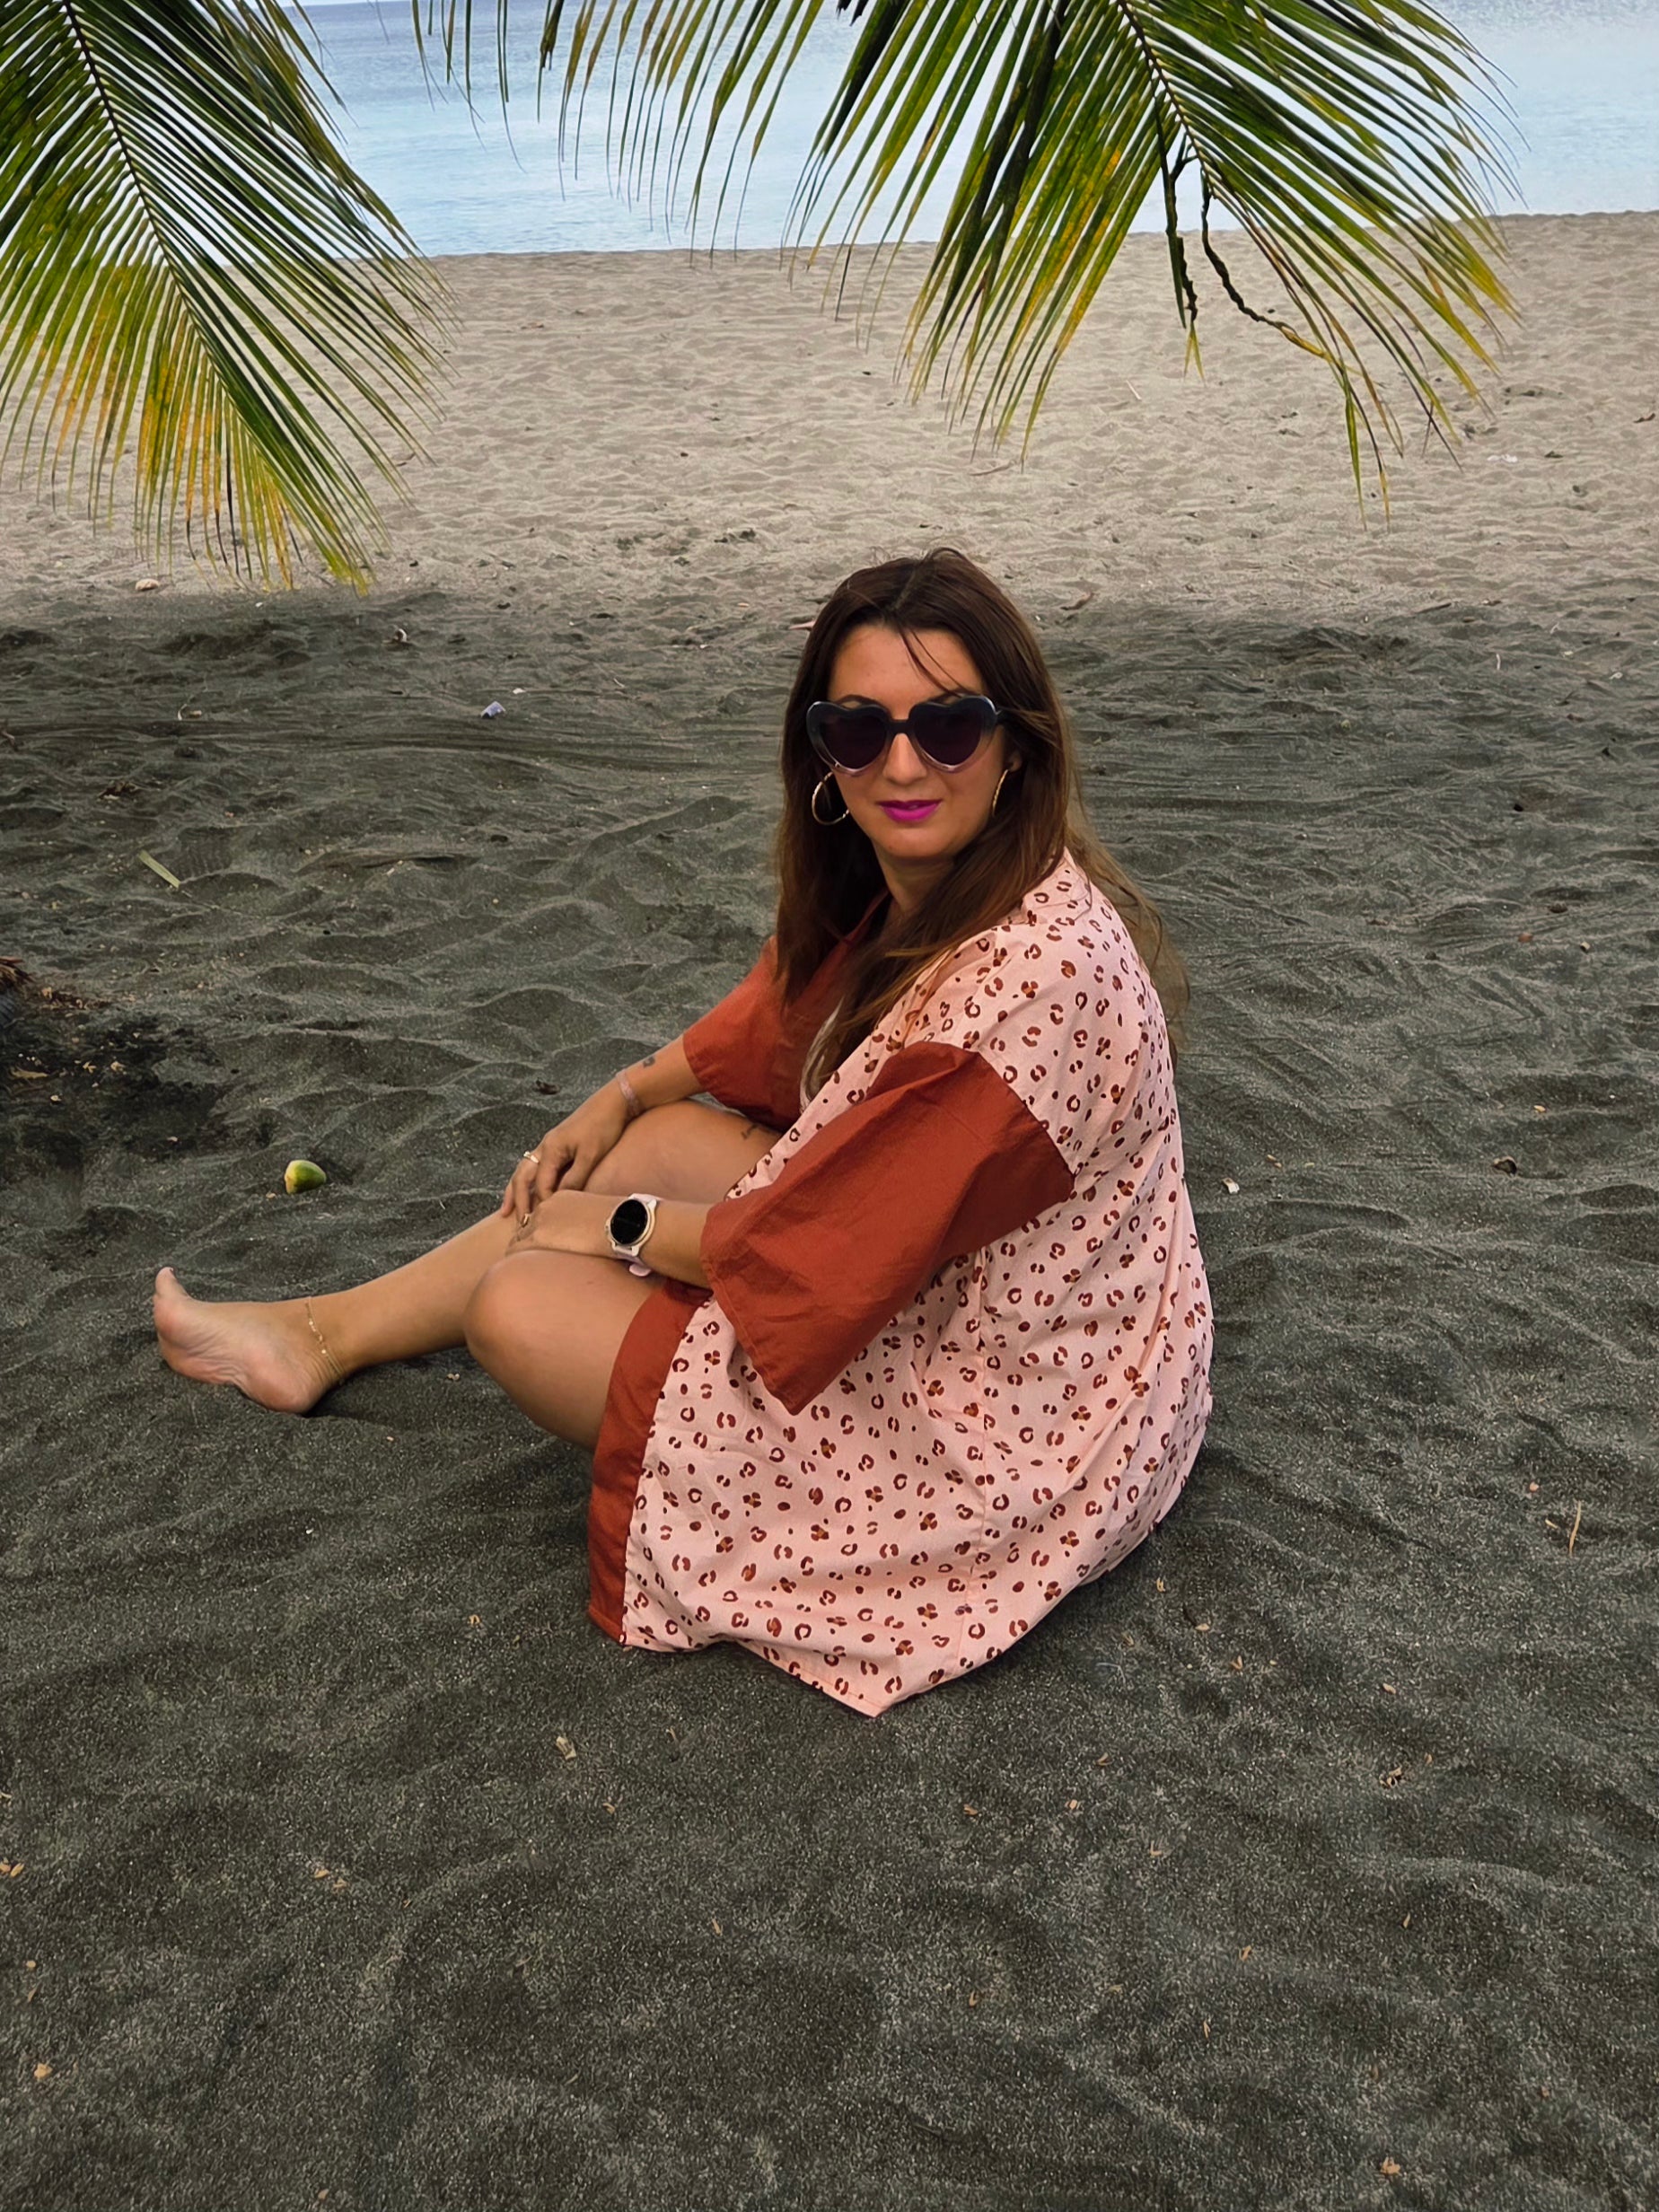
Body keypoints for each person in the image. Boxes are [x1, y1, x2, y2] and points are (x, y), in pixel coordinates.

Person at [154, 549, 1212, 1714]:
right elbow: (789, 1020)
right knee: (651, 1144)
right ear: (821, 750)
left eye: (949, 726)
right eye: (859, 731)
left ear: (1014, 744)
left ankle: (357, 1331)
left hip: (1020, 1423)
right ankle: (323, 1336)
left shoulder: (1028, 990)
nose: (903, 764)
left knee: (521, 1302)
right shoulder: (952, 877)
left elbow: (813, 1261)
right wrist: (622, 1093)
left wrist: (611, 1227)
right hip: (1041, 1307)